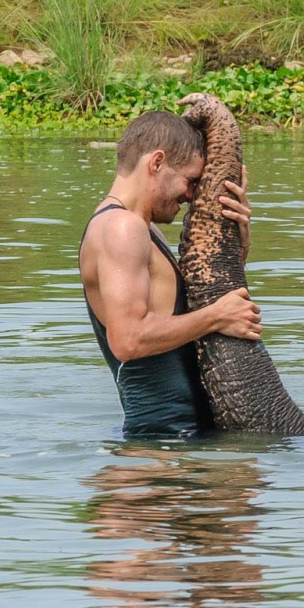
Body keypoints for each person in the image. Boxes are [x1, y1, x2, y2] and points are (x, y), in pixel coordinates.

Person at [78, 111, 261, 437]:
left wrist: (240, 236)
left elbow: (197, 303)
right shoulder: (121, 229)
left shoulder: (142, 229)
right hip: (158, 448)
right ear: (156, 163)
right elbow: (128, 339)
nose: (191, 195)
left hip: (184, 441)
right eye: (190, 181)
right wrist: (217, 317)